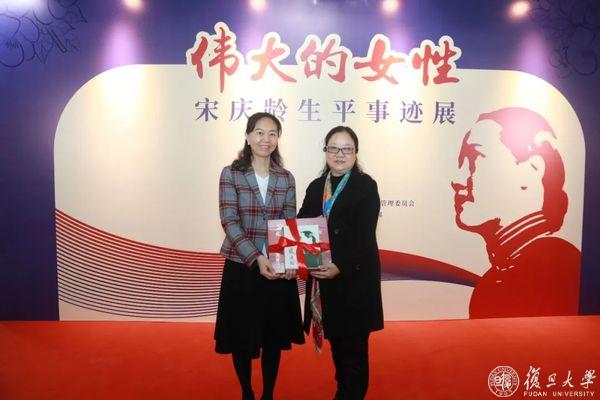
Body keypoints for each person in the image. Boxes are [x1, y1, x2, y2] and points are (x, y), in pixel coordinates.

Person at [451, 107, 580, 318]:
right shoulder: (492, 281)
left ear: (532, 170)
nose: (457, 180)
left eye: (473, 158)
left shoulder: (561, 268)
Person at [214, 112, 305, 400]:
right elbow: (229, 221)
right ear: (248, 136)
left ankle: (268, 394)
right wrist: (256, 257)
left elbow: (289, 223)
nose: (266, 139)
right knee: (241, 336)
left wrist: (289, 260)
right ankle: (247, 392)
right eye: (259, 132)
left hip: (277, 270)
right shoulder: (231, 173)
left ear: (278, 138)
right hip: (242, 267)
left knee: (273, 338)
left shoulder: (286, 178)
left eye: (272, 133)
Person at [298, 126, 384, 400]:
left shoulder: (366, 186)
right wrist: (302, 257)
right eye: (333, 148)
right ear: (325, 151)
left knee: (354, 351)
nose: (339, 154)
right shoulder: (316, 187)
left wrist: (340, 265)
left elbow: (365, 236)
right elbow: (303, 225)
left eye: (346, 149)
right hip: (325, 281)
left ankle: (350, 394)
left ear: (356, 153)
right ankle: (344, 390)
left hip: (353, 281)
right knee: (338, 346)